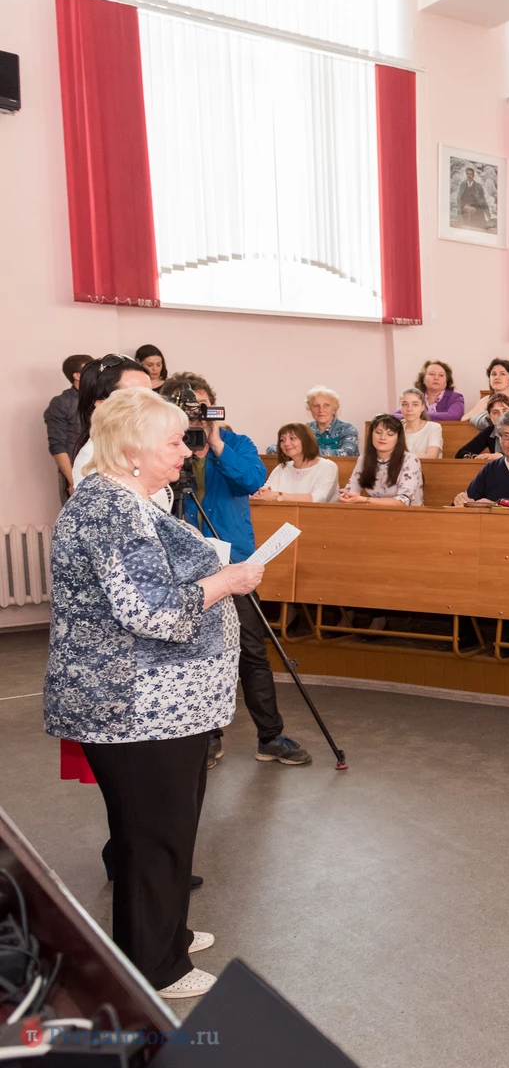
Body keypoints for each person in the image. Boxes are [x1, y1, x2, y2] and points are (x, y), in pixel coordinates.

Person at [45, 386, 266, 1000]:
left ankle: (167, 933)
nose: (186, 451)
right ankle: (153, 966)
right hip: (135, 706)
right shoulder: (110, 509)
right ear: (131, 452)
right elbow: (152, 610)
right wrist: (227, 581)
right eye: (173, 442)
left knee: (167, 831)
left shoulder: (127, 499)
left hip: (159, 706)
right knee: (153, 838)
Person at [156, 372, 309, 769]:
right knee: (197, 655)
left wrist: (216, 441)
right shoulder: (165, 449)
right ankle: (207, 738)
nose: (196, 414)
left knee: (253, 652)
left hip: (235, 563)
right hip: (187, 569)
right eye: (188, 408)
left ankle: (270, 736)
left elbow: (253, 480)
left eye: (202, 407)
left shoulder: (236, 443)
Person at [72, 356, 171, 508]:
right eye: (136, 397)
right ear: (102, 404)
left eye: (150, 395)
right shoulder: (92, 457)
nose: (150, 404)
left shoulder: (140, 444)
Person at [341, 415, 423, 506]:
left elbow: (403, 501)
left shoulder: (410, 460)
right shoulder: (364, 459)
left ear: (398, 439)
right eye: (378, 432)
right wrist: (346, 496)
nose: (383, 437)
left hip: (407, 513)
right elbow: (351, 490)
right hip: (374, 512)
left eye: (390, 434)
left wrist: (365, 500)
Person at [45, 353, 93, 502]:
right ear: (77, 376)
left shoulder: (103, 397)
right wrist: (73, 481)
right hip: (78, 471)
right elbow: (57, 446)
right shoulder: (61, 403)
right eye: (90, 370)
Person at [255, 423, 340, 503]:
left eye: (292, 438)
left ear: (306, 441)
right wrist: (260, 495)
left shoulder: (327, 466)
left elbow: (318, 499)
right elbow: (266, 492)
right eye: (282, 440)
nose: (286, 443)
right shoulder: (281, 468)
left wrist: (277, 496)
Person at [465, 360, 509, 425]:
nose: (497, 377)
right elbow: (464, 418)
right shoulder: (487, 399)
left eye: (502, 374)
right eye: (493, 374)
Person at [303, 386, 359, 456]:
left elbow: (347, 453)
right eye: (316, 405)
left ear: (334, 408)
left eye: (326, 405)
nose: (321, 410)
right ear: (310, 408)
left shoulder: (348, 429)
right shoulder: (304, 430)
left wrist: (309, 454)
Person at [456, 394, 509, 459]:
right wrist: (477, 457)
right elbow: (461, 454)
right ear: (490, 417)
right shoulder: (490, 431)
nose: (501, 415)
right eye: (495, 412)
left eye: (505, 411)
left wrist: (501, 456)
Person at [397, 388, 443, 458]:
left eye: (415, 405)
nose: (409, 409)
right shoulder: (396, 428)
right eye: (405, 404)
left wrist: (401, 456)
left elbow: (431, 456)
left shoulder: (434, 427)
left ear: (422, 407)